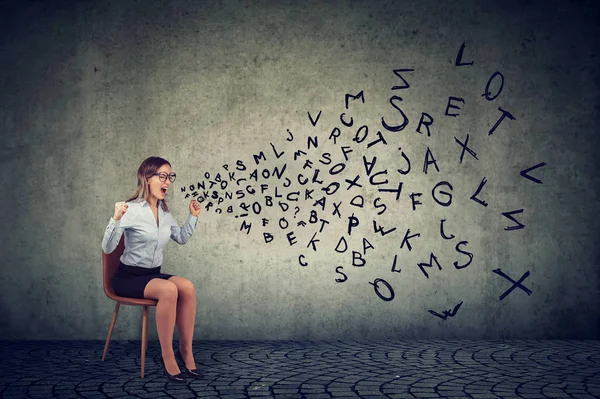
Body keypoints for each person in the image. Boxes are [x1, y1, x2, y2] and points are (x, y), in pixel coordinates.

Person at [101, 156, 202, 383]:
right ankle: (167, 357)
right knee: (168, 290)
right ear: (147, 178)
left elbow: (182, 237)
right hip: (127, 277)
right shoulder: (131, 210)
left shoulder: (165, 214)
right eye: (162, 176)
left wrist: (193, 218)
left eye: (170, 177)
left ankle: (185, 351)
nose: (167, 181)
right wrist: (115, 219)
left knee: (186, 286)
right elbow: (107, 247)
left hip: (152, 275)